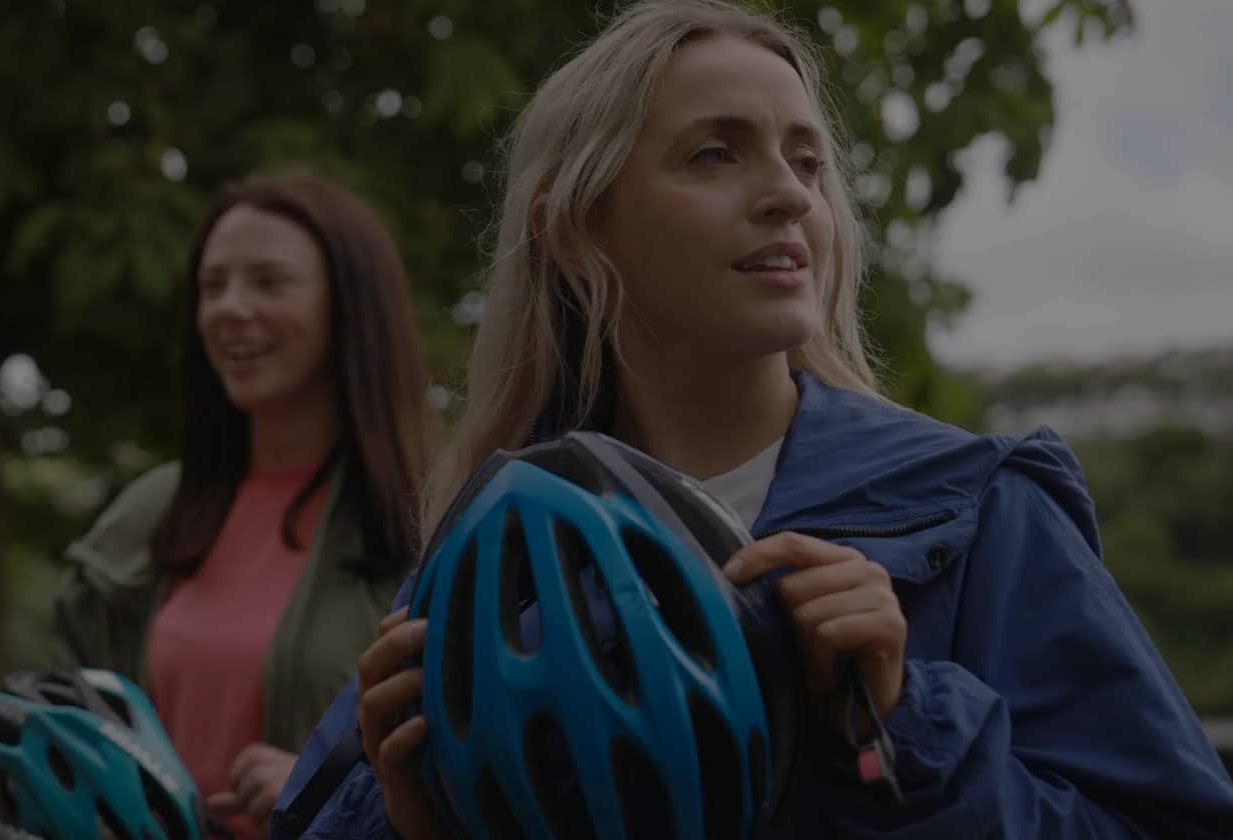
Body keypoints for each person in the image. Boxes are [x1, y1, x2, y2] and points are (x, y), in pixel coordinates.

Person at [271, 1, 1233, 837]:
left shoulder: (975, 509)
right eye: (716, 153)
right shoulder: (490, 556)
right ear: (573, 229)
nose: (788, 195)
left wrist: (902, 725)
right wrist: (409, 822)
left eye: (808, 162)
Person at [53, 171, 432, 838]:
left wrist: (328, 791)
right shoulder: (149, 512)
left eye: (268, 282)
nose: (230, 307)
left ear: (350, 306)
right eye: (212, 285)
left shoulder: (432, 520)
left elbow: (478, 774)